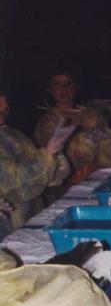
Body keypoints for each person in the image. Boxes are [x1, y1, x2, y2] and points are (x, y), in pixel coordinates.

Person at [0, 80, 70, 237]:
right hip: (10, 235)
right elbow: (15, 184)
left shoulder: (13, 135)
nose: (4, 104)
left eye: (4, 98)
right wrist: (48, 155)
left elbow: (54, 177)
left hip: (32, 223)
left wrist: (54, 154)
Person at [34, 68, 111, 186]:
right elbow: (52, 156)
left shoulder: (90, 114)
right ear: (49, 89)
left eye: (68, 83)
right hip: (67, 181)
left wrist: (96, 166)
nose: (63, 88)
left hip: (96, 174)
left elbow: (110, 144)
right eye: (57, 84)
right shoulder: (48, 119)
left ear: (76, 87)